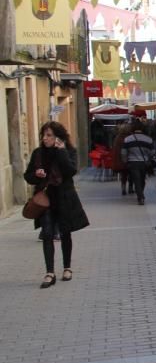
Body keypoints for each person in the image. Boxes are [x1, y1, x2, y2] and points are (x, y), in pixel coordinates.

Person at [23, 121, 90, 289]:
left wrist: (61, 152)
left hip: (64, 197)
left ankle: (67, 268)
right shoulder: (38, 153)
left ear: (57, 137)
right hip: (45, 200)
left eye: (49, 135)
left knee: (65, 233)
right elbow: (27, 176)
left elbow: (70, 171)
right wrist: (36, 175)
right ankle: (50, 272)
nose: (45, 138)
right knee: (47, 234)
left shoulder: (68, 151)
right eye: (43, 135)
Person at [121, 119, 156, 205]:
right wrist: (148, 157)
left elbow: (123, 152)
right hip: (144, 163)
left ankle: (140, 197)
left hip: (132, 162)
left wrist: (125, 161)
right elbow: (152, 152)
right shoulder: (148, 139)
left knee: (136, 179)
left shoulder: (127, 139)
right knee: (142, 179)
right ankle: (141, 195)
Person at [111, 121, 132, 196]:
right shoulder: (130, 137)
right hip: (130, 158)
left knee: (124, 174)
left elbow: (115, 149)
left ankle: (123, 188)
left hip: (121, 159)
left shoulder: (118, 137)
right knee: (131, 173)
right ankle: (130, 187)